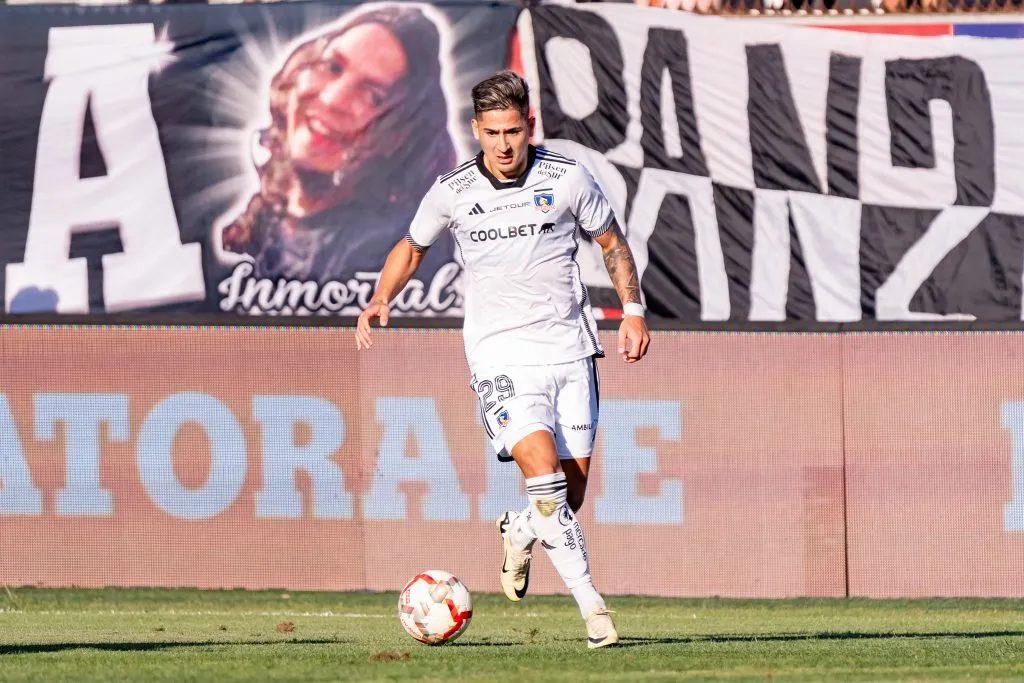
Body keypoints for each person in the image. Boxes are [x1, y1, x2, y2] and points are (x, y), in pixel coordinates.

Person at [356, 70, 650, 649]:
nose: (504, 144)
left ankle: (519, 528)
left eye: (513, 130)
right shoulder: (453, 191)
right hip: (500, 355)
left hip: (570, 350)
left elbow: (610, 241)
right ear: (476, 131)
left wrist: (633, 310)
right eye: (492, 133)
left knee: (568, 495)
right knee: (544, 478)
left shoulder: (568, 179)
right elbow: (412, 247)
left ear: (529, 125)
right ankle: (593, 609)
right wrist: (380, 298)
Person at [218, 5, 458, 291]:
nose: (333, 100)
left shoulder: (401, 246)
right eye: (332, 67)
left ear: (401, 135)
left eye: (372, 95)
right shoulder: (264, 218)